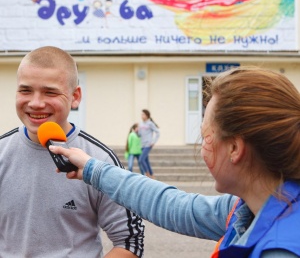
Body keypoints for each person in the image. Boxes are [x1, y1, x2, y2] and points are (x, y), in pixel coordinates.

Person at [50, 66, 300, 258]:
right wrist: (92, 168)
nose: (202, 148)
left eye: (205, 137)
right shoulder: (253, 207)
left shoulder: (280, 250)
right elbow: (174, 206)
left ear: (234, 148)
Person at [0, 46, 144, 258]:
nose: (36, 103)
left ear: (75, 96)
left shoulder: (100, 159)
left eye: (50, 92)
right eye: (25, 90)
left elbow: (130, 241)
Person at [138, 109, 160, 178]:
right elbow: (139, 135)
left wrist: (153, 142)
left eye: (143, 114)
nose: (142, 116)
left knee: (141, 160)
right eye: (141, 114)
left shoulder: (150, 123)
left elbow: (158, 132)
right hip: (142, 145)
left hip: (148, 145)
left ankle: (148, 175)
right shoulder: (141, 123)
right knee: (146, 161)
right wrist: (137, 131)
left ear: (147, 115)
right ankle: (152, 175)